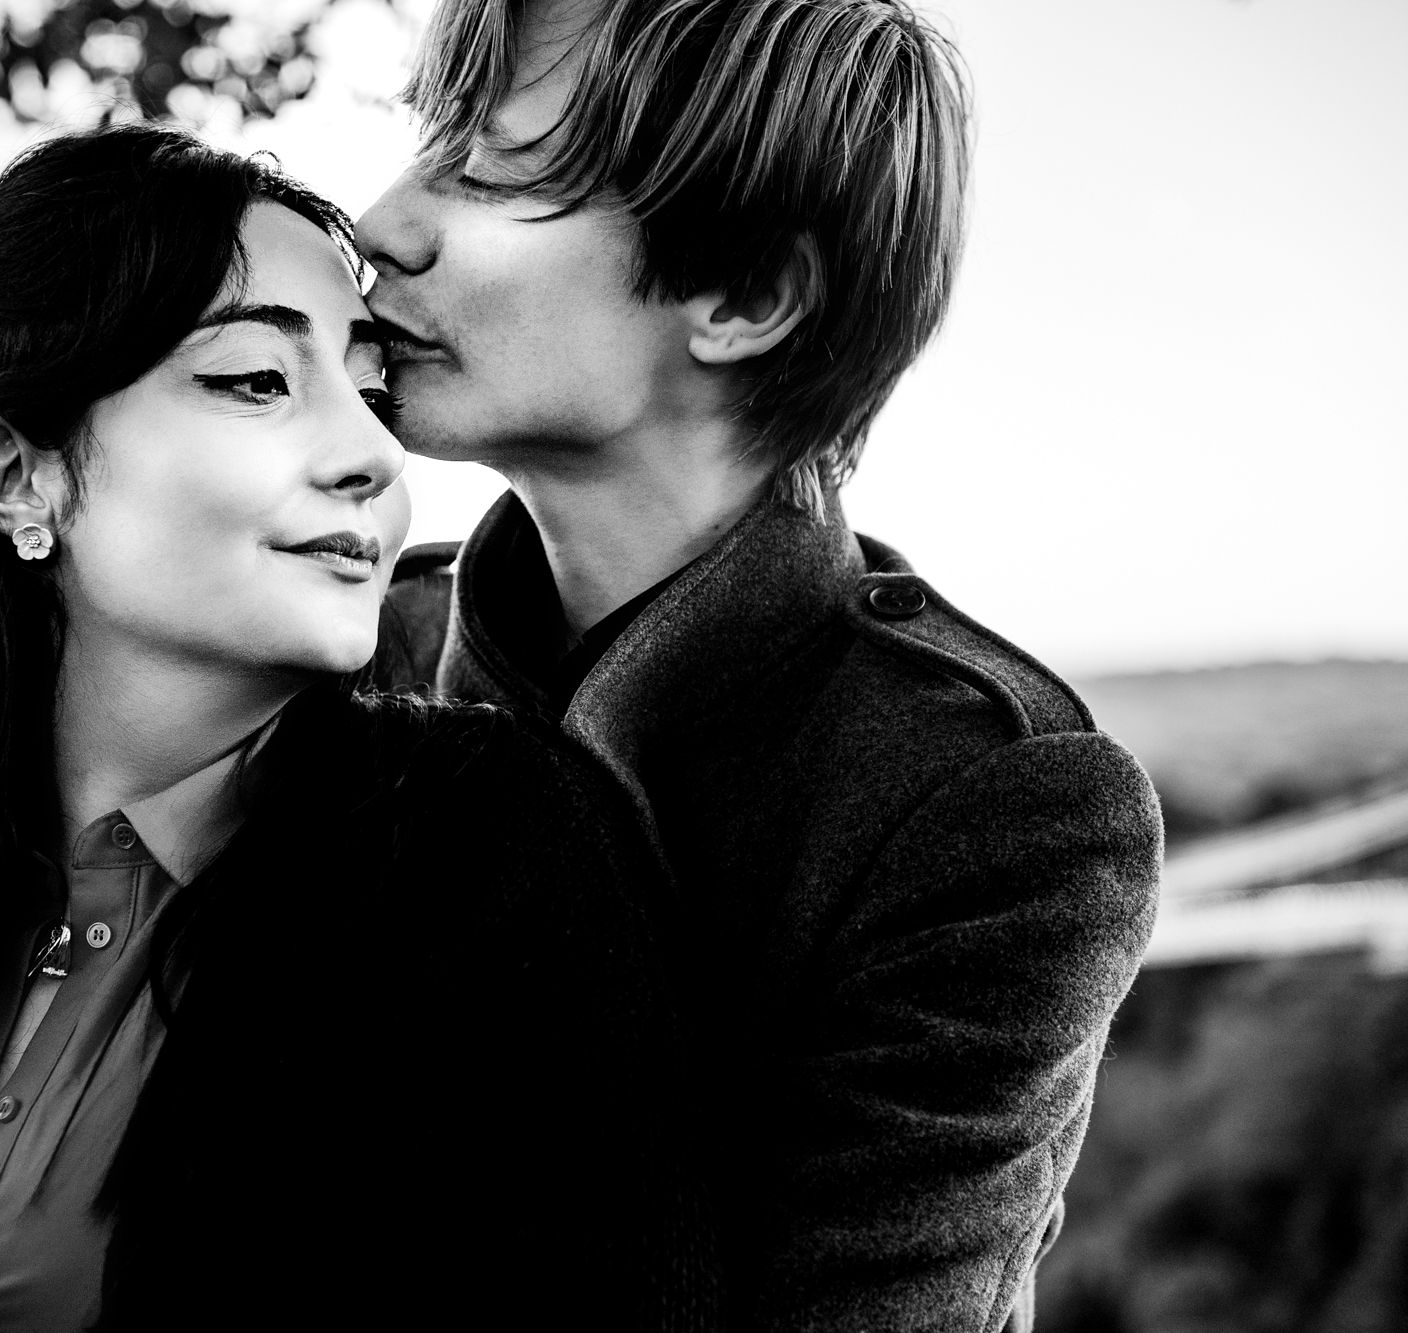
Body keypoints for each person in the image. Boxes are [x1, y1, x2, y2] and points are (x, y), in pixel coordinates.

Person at [0, 124, 717, 1333]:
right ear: (19, 477)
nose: (372, 454)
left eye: (371, 391)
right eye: (258, 381)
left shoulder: (485, 862)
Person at [359, 0, 1164, 1328]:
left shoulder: (990, 808)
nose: (384, 222)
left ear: (745, 297)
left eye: (500, 171)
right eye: (429, 143)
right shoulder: (341, 650)